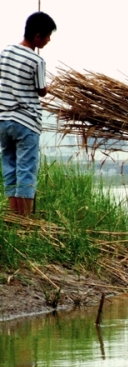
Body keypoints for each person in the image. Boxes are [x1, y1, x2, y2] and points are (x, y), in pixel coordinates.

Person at [0, 12, 57, 217]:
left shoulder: (5, 52)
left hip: (3, 120)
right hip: (26, 122)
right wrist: (49, 88)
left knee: (10, 168)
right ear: (38, 36)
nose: (49, 40)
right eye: (48, 36)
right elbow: (41, 90)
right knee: (26, 169)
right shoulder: (37, 60)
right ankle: (24, 220)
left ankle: (14, 217)